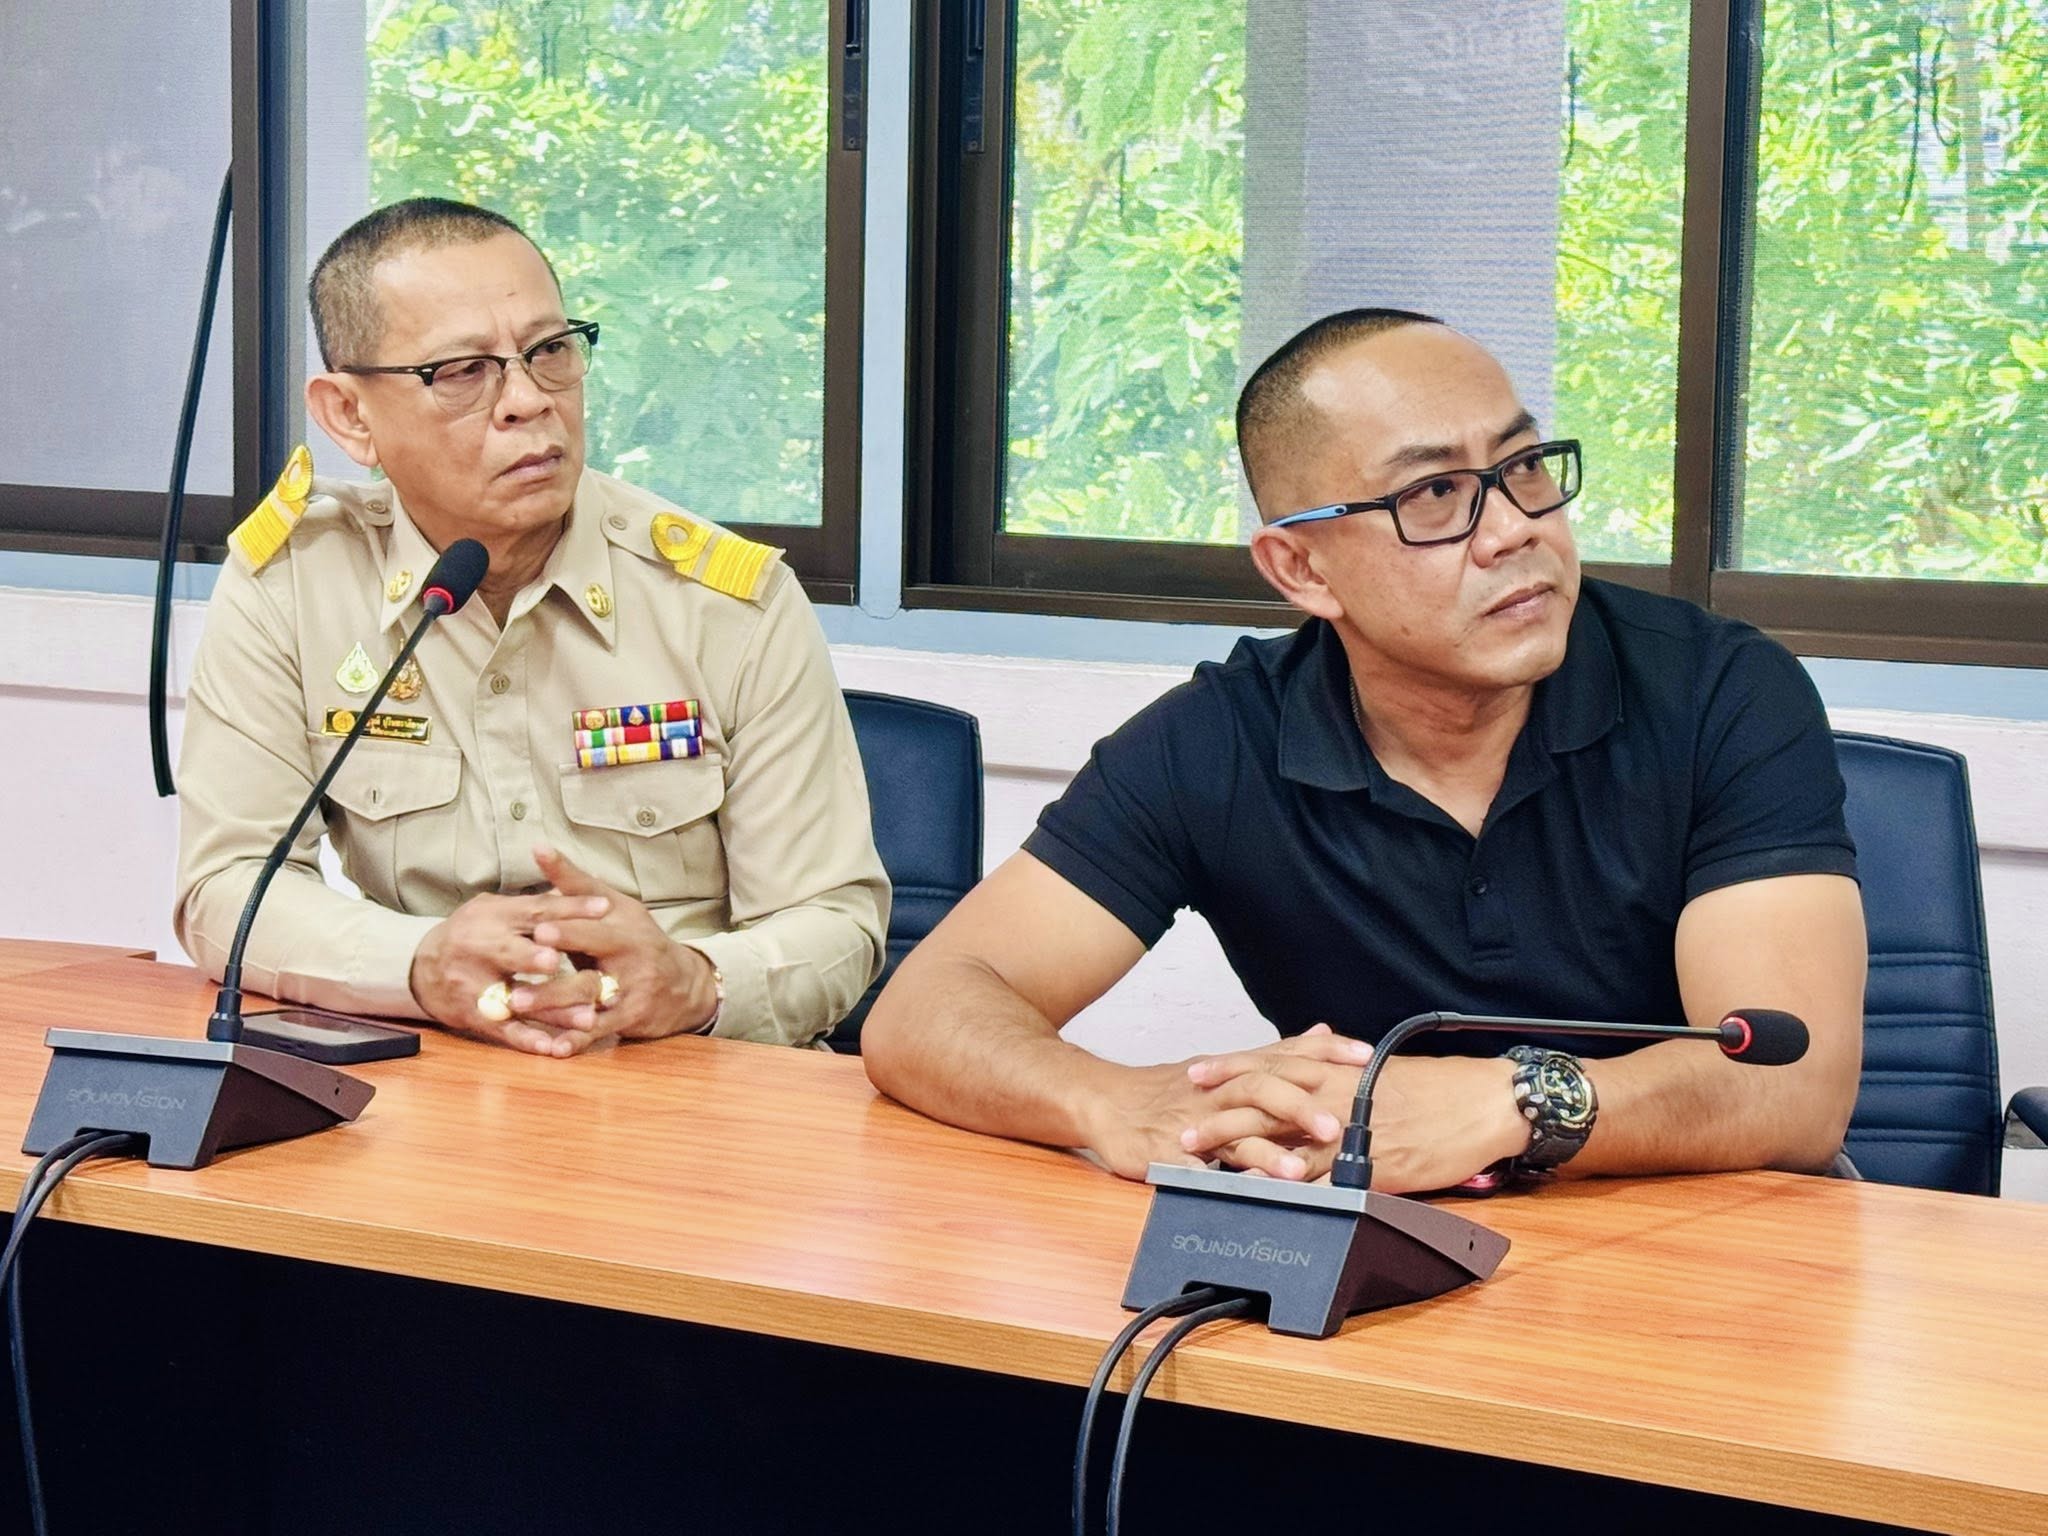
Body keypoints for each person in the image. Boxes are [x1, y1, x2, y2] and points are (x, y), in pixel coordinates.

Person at [862, 308, 1865, 1192]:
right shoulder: (1219, 740)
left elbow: (1790, 1086)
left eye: (1522, 467)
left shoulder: (1719, 690)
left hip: (1704, 1233)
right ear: (1301, 568)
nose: (1512, 529)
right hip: (1384, 1234)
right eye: (1433, 495)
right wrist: (1114, 1102)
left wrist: (1512, 1104)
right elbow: (924, 1012)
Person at [175, 197, 888, 1057]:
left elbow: (835, 919)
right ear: (350, 415)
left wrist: (695, 982)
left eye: (549, 352)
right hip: (433, 1074)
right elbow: (228, 887)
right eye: (463, 372)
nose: (527, 401)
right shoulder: (293, 586)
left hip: (689, 1076)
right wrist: (421, 964)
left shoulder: (727, 602)